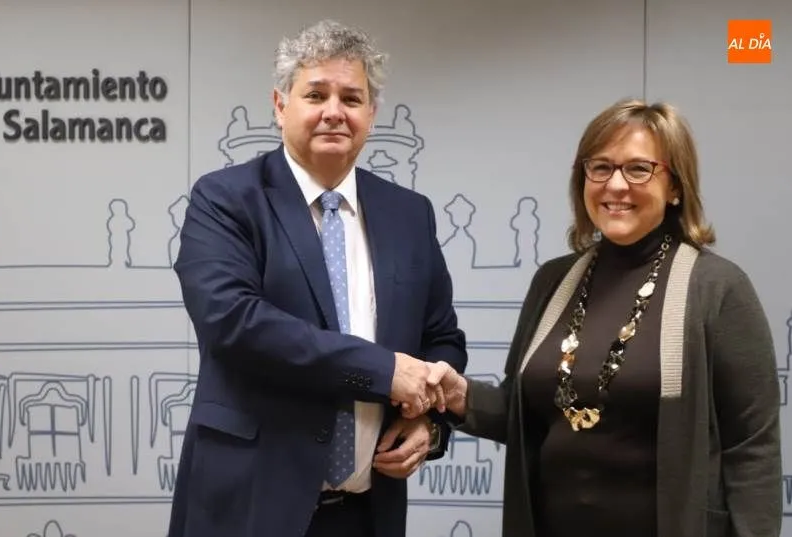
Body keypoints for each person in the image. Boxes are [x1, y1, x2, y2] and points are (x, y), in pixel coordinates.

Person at [421, 99, 782, 537]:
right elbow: (523, 414)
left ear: (675, 186)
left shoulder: (718, 288)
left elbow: (752, 449)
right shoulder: (553, 282)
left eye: (638, 169)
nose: (616, 185)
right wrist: (458, 395)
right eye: (601, 168)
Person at [168, 19, 467, 537]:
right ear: (281, 105)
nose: (334, 111)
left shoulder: (408, 214)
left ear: (371, 114)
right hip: (249, 507)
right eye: (316, 94)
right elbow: (234, 323)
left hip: (367, 513)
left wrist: (428, 423)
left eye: (352, 98)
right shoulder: (225, 199)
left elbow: (442, 340)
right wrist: (383, 371)